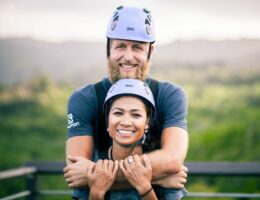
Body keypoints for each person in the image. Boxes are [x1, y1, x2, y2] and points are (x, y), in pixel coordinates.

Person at [64, 5, 189, 200]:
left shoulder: (169, 95)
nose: (128, 57)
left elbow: (173, 160)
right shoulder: (85, 99)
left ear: (150, 52)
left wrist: (95, 174)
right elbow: (75, 173)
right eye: (120, 46)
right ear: (109, 49)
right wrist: (157, 177)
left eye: (137, 47)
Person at [88, 79, 158, 200]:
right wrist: (97, 191)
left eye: (136, 115)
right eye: (118, 113)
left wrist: (144, 186)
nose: (126, 122)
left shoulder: (162, 167)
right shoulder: (91, 164)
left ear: (147, 123)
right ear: (108, 120)